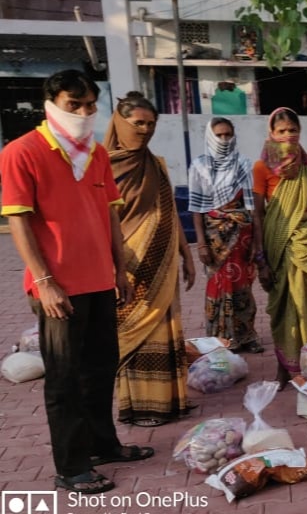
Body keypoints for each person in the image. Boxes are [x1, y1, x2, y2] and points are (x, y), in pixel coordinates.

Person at [2, 69, 151, 494]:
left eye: (90, 105)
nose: (85, 112)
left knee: (101, 369)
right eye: (75, 105)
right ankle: (70, 467)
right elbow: (19, 220)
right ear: (51, 103)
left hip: (100, 281)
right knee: (64, 378)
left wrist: (119, 268)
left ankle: (104, 445)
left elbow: (109, 214)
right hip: (57, 287)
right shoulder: (22, 151)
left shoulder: (95, 153)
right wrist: (46, 280)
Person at [106, 92, 195, 427]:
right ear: (120, 120)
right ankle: (140, 407)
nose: (144, 129)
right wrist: (114, 268)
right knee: (134, 333)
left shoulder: (156, 164)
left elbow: (168, 211)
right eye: (138, 123)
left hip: (162, 262)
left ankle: (172, 402)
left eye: (151, 124)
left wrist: (187, 255)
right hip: (127, 265)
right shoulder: (101, 164)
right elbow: (100, 221)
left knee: (167, 329)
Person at [253, 107, 307, 386]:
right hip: (279, 246)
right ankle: (283, 367)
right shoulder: (262, 167)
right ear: (272, 134)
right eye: (281, 131)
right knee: (285, 306)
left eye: (292, 130)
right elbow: (258, 214)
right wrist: (261, 258)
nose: (288, 136)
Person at [189, 117, 263, 354]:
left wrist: (256, 243)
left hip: (241, 236)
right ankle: (219, 339)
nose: (224, 140)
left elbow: (253, 208)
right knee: (217, 286)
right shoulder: (199, 166)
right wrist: (201, 244)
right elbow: (197, 208)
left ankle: (247, 336)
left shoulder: (243, 164)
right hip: (214, 239)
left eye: (228, 135)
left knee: (243, 288)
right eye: (219, 135)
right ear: (210, 137)